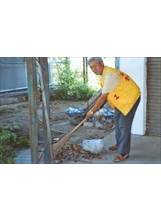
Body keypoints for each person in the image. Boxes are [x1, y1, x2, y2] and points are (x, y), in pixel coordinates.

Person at [86, 57, 141, 163]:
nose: (93, 69)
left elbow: (103, 97)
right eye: (91, 67)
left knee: (124, 125)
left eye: (95, 66)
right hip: (121, 100)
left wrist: (91, 112)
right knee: (117, 120)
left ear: (102, 63)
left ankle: (123, 152)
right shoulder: (103, 74)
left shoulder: (110, 75)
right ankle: (119, 144)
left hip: (131, 98)